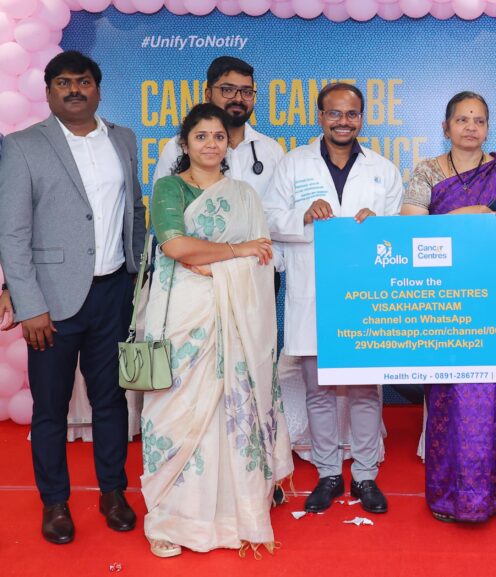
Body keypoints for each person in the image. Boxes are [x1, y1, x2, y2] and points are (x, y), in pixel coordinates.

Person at [0, 51, 145, 545]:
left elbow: (134, 209)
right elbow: (12, 232)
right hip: (51, 303)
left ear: (98, 89)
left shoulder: (123, 139)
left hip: (114, 292)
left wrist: (135, 274)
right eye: (63, 82)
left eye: (83, 81)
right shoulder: (23, 146)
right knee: (50, 408)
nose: (74, 90)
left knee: (111, 400)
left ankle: (113, 492)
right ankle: (55, 502)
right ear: (48, 92)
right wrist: (29, 305)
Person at [140, 103, 293, 558]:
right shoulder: (169, 187)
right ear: (184, 143)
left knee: (231, 409)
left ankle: (237, 511)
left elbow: (262, 253)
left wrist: (217, 259)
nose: (211, 144)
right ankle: (170, 518)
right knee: (175, 413)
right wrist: (234, 251)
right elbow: (174, 245)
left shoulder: (243, 194)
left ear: (229, 144)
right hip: (183, 317)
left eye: (219, 137)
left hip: (236, 318)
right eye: (201, 136)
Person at [400, 91, 496, 523]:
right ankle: (445, 498)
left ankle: (488, 495)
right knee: (444, 398)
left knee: (487, 400)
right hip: (440, 300)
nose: (470, 127)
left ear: (487, 128)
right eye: (462, 119)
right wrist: (476, 211)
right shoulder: (427, 171)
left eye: (478, 120)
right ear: (445, 127)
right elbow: (410, 227)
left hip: (491, 299)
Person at [264, 83, 402, 515]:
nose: (344, 121)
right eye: (335, 113)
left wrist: (379, 225)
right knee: (319, 390)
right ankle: (328, 473)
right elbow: (268, 219)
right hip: (313, 292)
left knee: (365, 391)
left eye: (352, 113)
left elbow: (399, 232)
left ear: (362, 117)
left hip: (365, 297)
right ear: (321, 116)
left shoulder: (383, 170)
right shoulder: (293, 164)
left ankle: (365, 475)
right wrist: (302, 216)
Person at [152, 56, 285, 290]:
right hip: (193, 277)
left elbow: (278, 217)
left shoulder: (271, 150)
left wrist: (272, 264)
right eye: (228, 89)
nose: (238, 98)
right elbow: (167, 222)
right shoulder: (176, 149)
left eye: (246, 92)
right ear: (208, 93)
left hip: (256, 273)